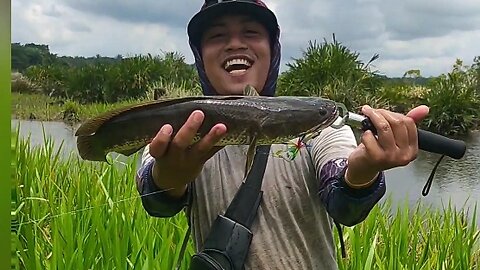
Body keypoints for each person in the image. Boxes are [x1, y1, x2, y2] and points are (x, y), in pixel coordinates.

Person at [135, 0, 429, 269]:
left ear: (272, 50)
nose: (235, 44)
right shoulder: (177, 130)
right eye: (217, 36)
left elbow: (345, 206)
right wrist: (170, 176)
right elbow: (157, 203)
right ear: (200, 55)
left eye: (251, 32)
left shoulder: (319, 127)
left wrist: (364, 171)